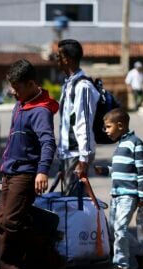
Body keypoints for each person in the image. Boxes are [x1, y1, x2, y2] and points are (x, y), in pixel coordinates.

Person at [0, 59, 63, 269]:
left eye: (17, 87)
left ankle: (51, 260)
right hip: (11, 172)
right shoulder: (20, 104)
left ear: (31, 84)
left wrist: (42, 170)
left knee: (11, 222)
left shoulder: (40, 110)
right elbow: (14, 142)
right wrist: (4, 171)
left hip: (27, 173)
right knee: (4, 223)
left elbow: (48, 142)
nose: (13, 91)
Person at [94, 108, 143, 269]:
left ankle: (121, 266)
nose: (106, 131)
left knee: (120, 228)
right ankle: (142, 254)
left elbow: (142, 171)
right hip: (116, 195)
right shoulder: (121, 144)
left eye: (108, 127)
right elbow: (121, 170)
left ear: (120, 125)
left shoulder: (135, 143)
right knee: (115, 229)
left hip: (129, 195)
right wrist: (106, 170)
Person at [56, 39, 100, 196]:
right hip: (68, 153)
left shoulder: (82, 86)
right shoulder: (69, 84)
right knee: (71, 202)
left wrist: (84, 159)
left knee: (75, 204)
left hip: (77, 154)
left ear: (67, 59)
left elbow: (84, 123)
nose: (56, 60)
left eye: (58, 56)